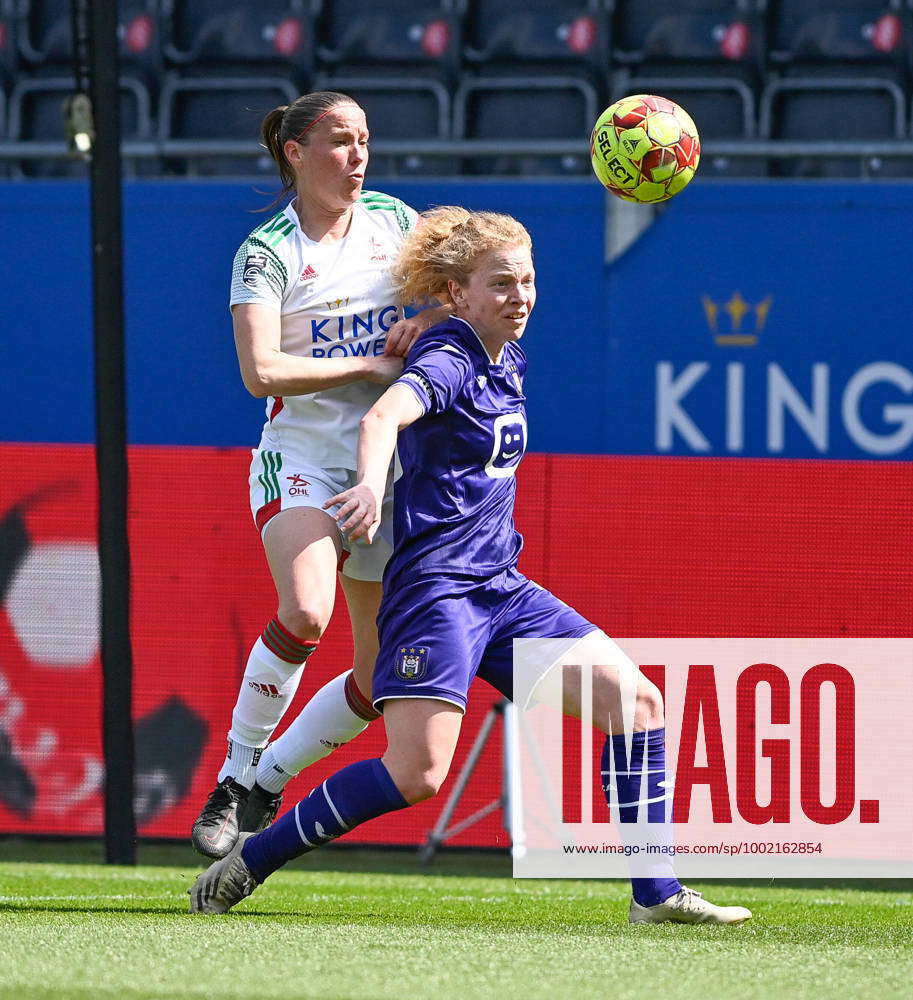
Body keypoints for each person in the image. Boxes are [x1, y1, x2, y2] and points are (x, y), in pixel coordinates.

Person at [190, 208, 752, 926]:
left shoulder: (501, 351)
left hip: (501, 589)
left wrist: (432, 314)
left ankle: (656, 894)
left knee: (636, 705)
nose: (519, 295)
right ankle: (254, 857)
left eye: (527, 280)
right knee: (415, 775)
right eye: (500, 283)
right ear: (458, 294)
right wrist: (367, 484)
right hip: (437, 597)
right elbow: (382, 417)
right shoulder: (452, 355)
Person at [190, 92, 449, 860]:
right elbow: (259, 370)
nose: (357, 155)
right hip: (302, 455)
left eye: (365, 139)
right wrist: (372, 361)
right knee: (305, 611)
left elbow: (459, 302)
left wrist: (426, 321)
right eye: (339, 141)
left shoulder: (396, 224)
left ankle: (266, 780)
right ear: (296, 153)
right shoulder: (265, 252)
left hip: (388, 464)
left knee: (372, 682)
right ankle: (233, 776)